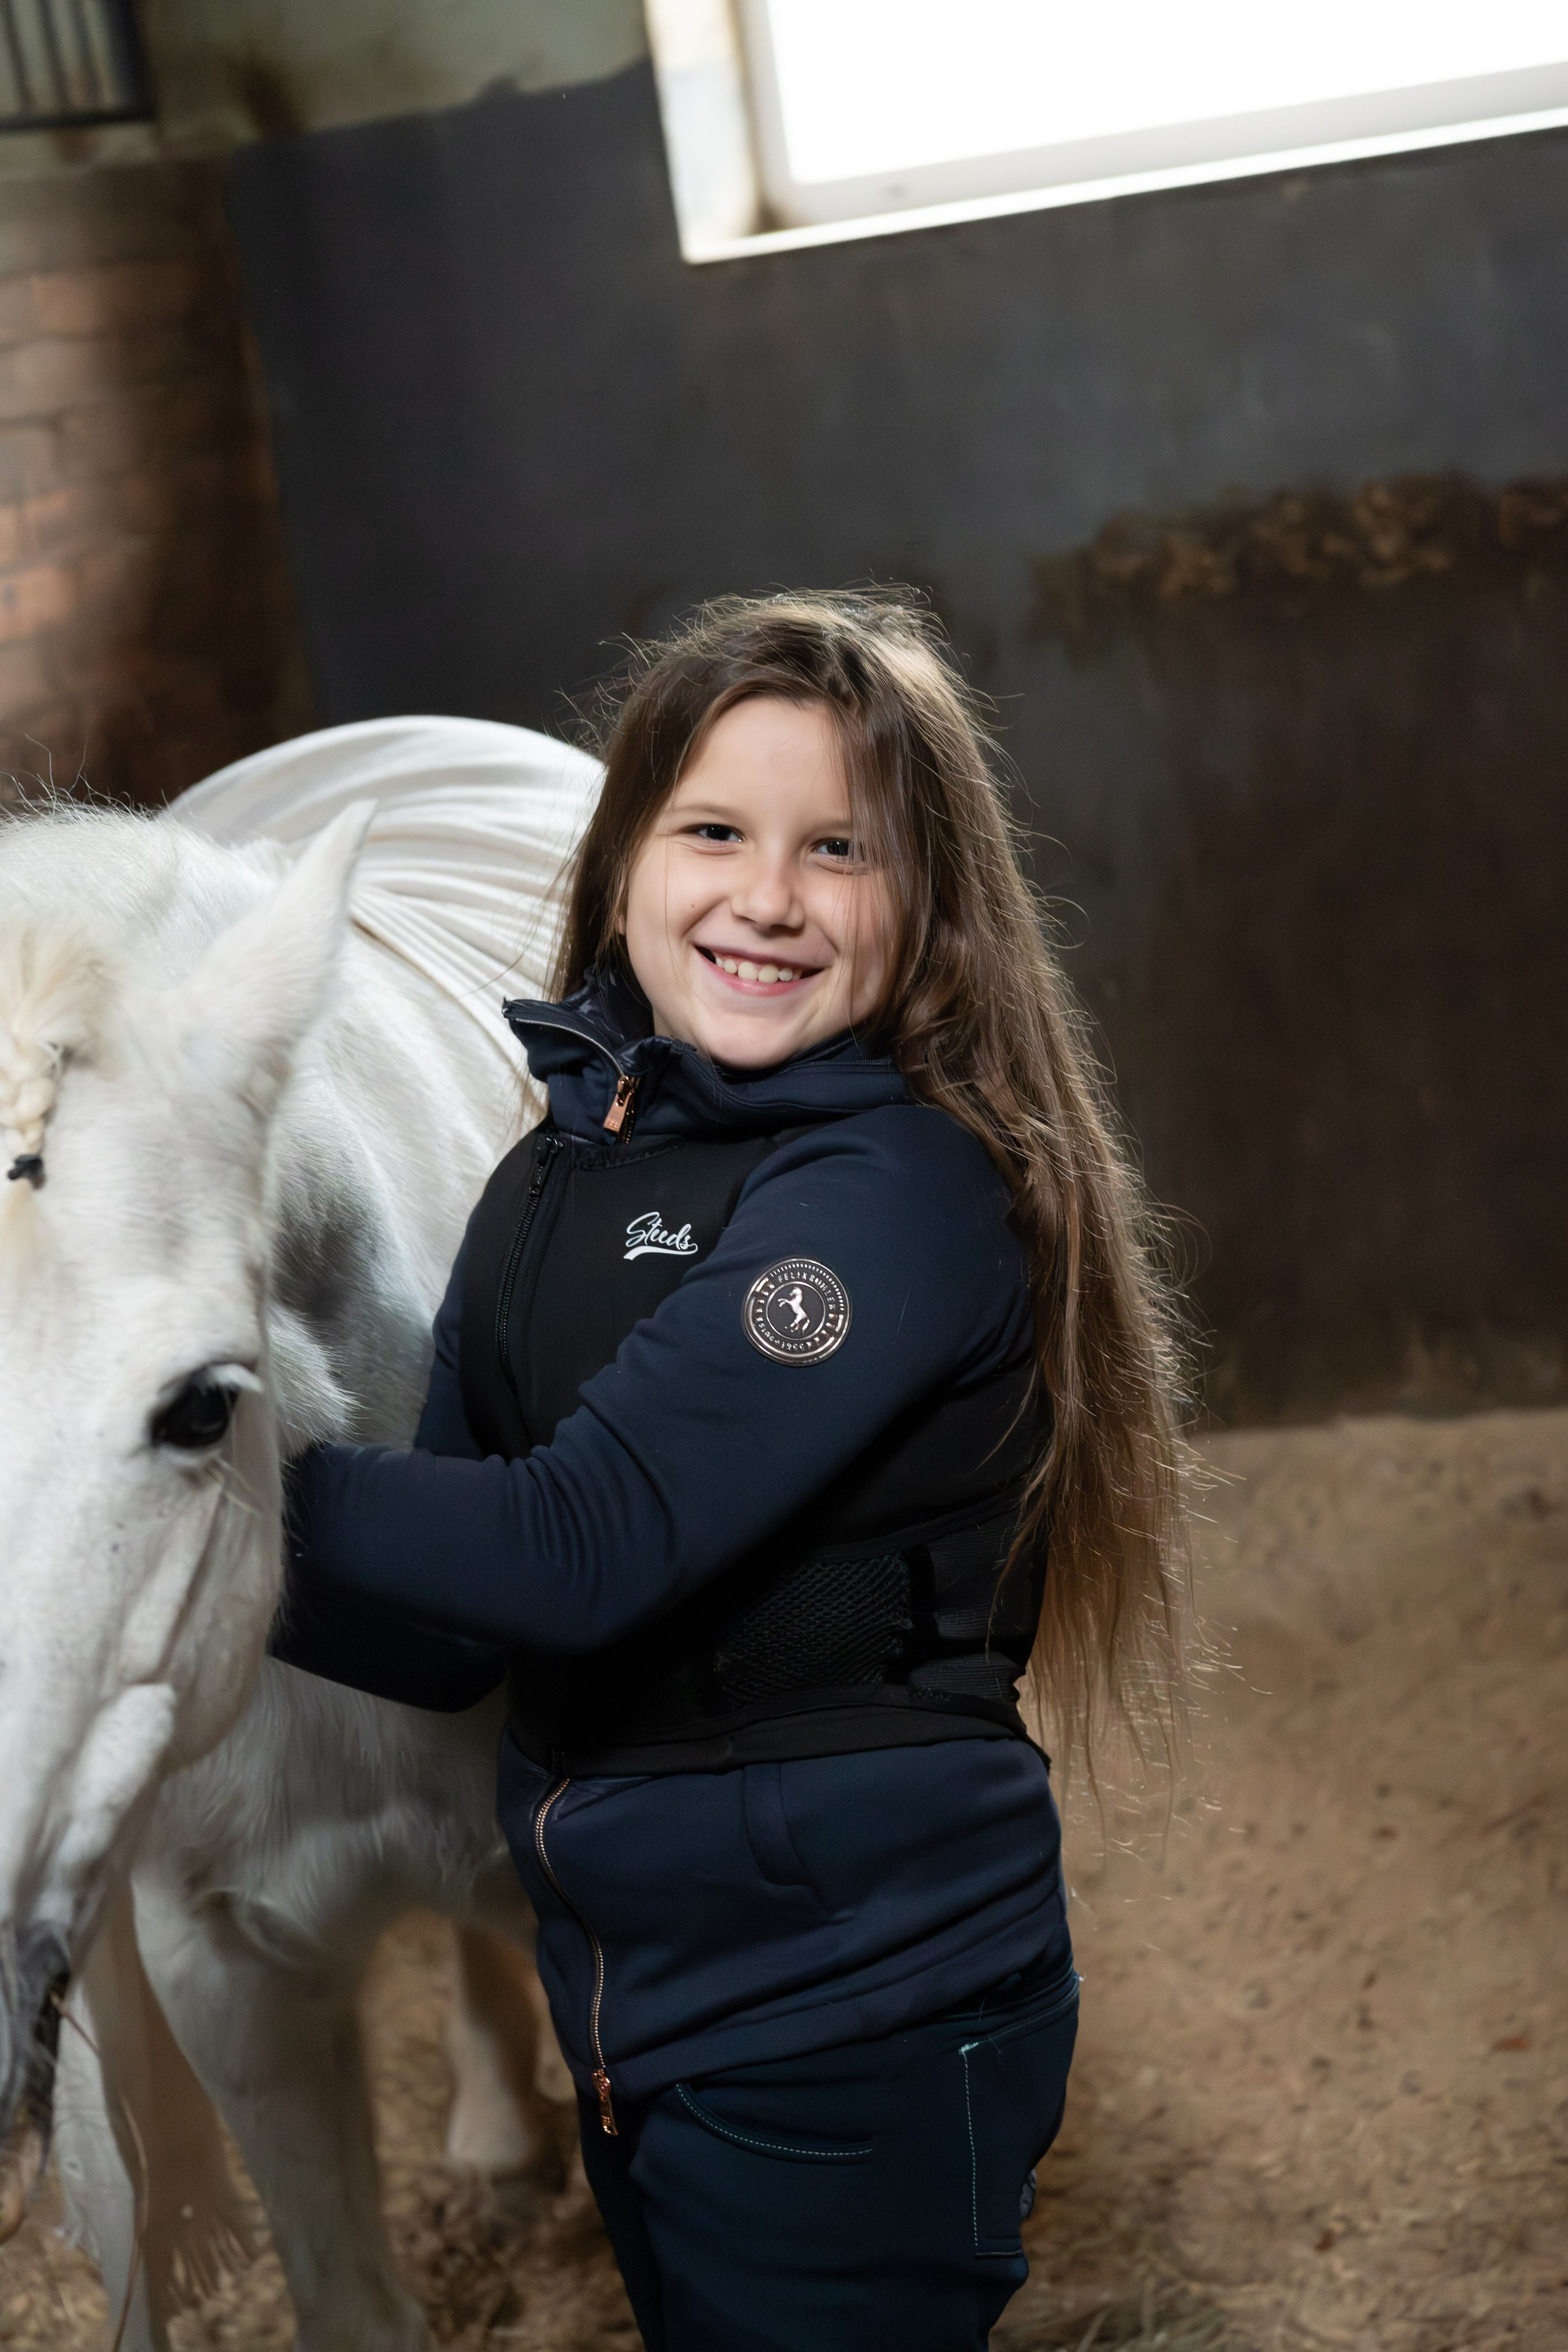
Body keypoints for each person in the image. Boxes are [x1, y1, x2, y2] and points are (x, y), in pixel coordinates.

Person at [277, 591, 1188, 2350]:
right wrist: (127, 1554)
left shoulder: (899, 1191)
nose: (767, 898)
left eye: (837, 849)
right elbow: (455, 1634)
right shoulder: (548, 1183)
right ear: (623, 855)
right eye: (714, 831)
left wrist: (185, 1472)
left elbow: (574, 1546)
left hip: (858, 2009)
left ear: (928, 909)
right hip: (638, 2006)